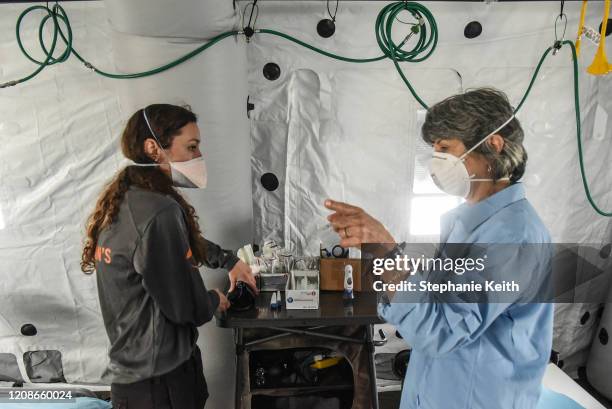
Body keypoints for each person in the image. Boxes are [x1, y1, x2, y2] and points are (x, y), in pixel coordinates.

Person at [325, 88, 553, 409]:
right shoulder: (469, 222)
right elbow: (438, 299)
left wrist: (388, 251)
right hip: (439, 389)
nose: (436, 162)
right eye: (434, 150)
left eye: (445, 148)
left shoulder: (512, 236)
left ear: (493, 145)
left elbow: (442, 330)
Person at [80, 104, 257, 409]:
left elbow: (178, 244)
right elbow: (186, 308)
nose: (197, 157)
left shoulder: (128, 201)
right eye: (191, 147)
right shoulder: (159, 212)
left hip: (133, 383)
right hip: (163, 386)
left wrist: (229, 260)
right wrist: (216, 299)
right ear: (153, 148)